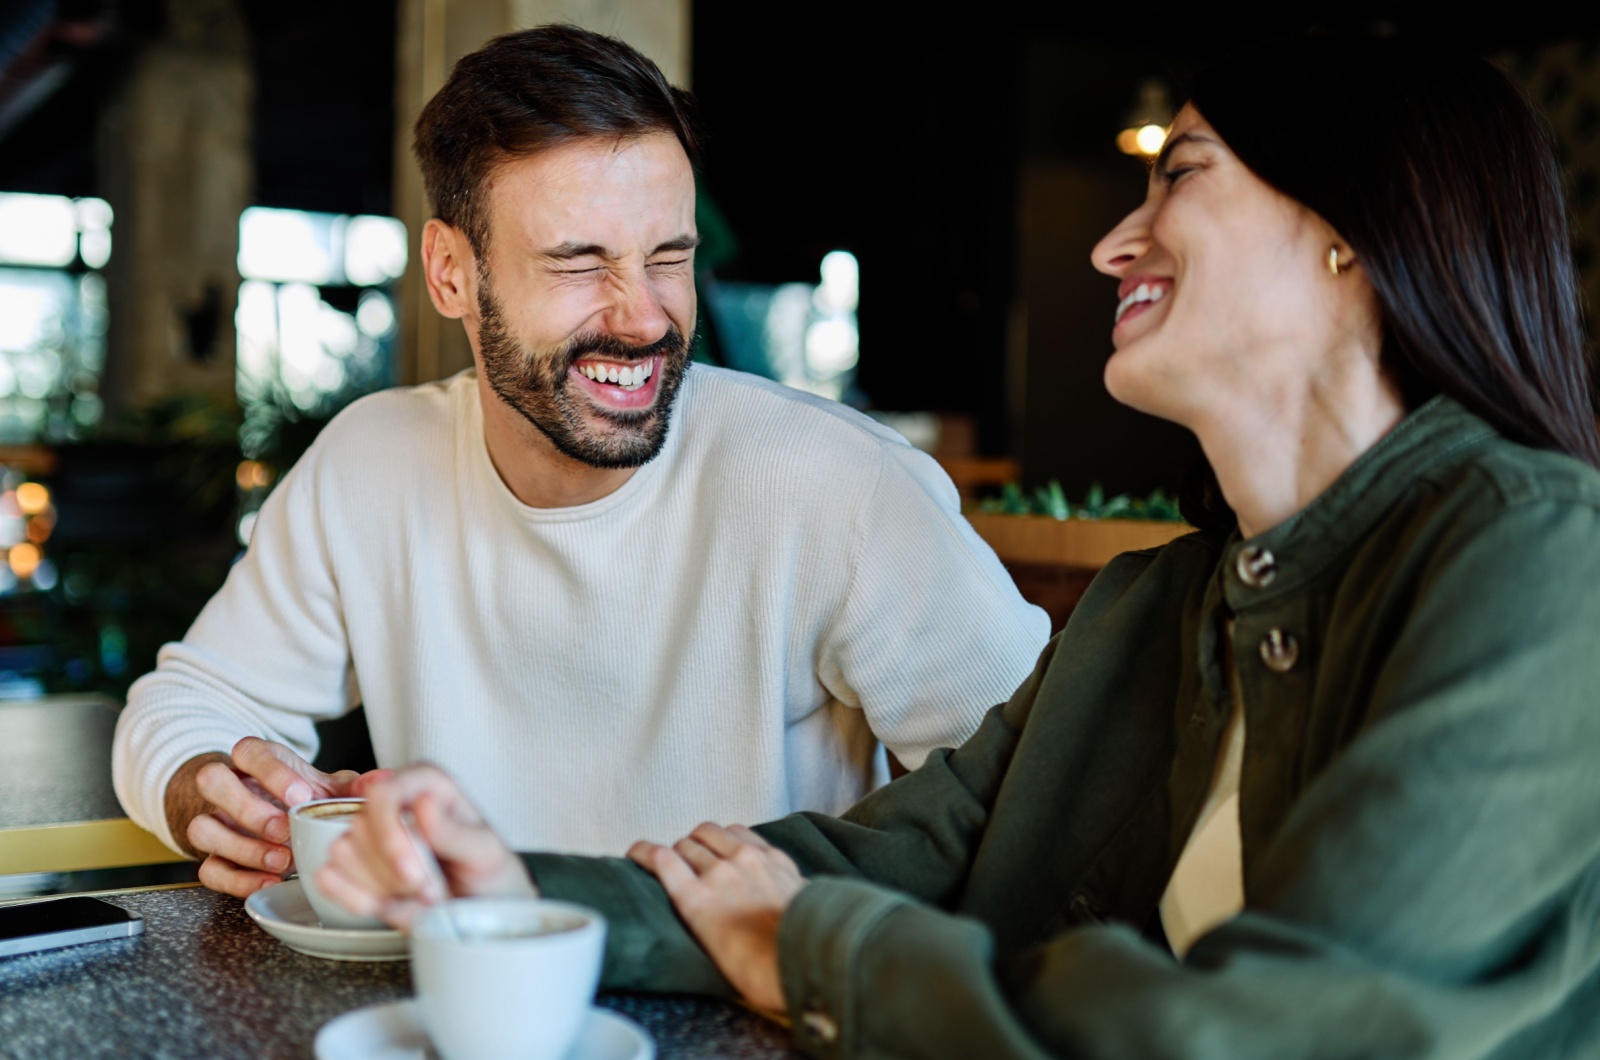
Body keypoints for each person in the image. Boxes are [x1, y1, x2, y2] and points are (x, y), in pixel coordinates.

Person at [318, 37, 1600, 1058]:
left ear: (1352, 232)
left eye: (1183, 173)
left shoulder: (1539, 557)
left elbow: (1283, 1029)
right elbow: (901, 856)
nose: (1112, 242)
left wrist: (815, 951)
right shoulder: (1160, 608)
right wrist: (512, 887)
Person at [111, 25, 1048, 899]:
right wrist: (214, 794)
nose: (641, 317)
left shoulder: (838, 487)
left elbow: (1052, 791)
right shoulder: (371, 462)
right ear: (450, 274)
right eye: (576, 262)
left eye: (667, 259)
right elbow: (191, 701)